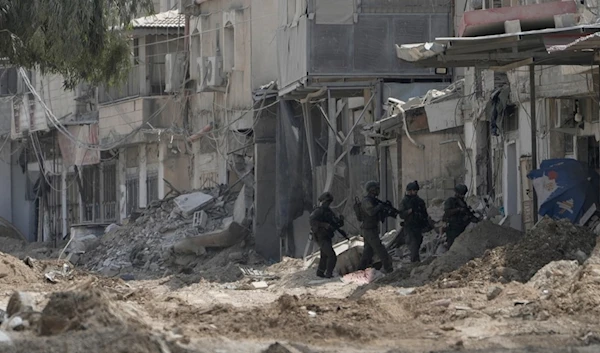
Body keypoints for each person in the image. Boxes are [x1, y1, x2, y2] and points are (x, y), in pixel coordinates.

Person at [357, 181, 395, 274]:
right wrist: (380, 207)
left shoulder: (374, 200)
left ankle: (360, 270)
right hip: (369, 229)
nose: (378, 191)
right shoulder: (367, 201)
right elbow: (371, 212)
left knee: (368, 252)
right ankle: (388, 268)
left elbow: (378, 214)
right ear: (372, 190)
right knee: (380, 249)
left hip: (371, 229)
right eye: (376, 189)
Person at [309, 192, 339, 278]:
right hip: (320, 237)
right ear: (323, 202)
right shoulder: (318, 211)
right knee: (332, 256)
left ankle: (320, 272)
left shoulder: (329, 212)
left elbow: (334, 222)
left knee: (324, 255)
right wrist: (323, 224)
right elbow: (312, 221)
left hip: (327, 236)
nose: (328, 204)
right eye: (327, 202)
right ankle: (329, 273)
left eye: (329, 202)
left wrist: (339, 221)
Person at [398, 181, 430, 263]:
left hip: (418, 226)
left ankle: (416, 262)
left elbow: (424, 214)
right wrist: (409, 211)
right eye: (413, 190)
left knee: (418, 243)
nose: (415, 192)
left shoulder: (419, 201)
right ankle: (414, 263)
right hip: (409, 227)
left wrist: (426, 224)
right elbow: (401, 214)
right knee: (413, 245)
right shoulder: (405, 201)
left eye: (416, 191)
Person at [443, 184, 474, 248]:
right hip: (452, 228)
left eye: (463, 194)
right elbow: (447, 212)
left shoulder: (463, 203)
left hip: (461, 228)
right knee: (452, 246)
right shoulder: (450, 201)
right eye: (461, 194)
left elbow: (468, 214)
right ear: (457, 193)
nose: (462, 196)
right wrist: (458, 210)